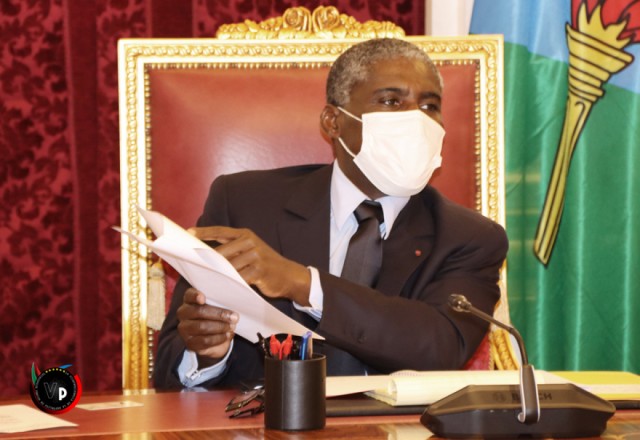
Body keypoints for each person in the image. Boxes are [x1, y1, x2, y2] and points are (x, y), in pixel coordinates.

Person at [154, 38, 508, 389]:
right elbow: (170, 370)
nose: (416, 120)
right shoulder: (244, 204)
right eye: (391, 101)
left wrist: (303, 284)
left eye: (429, 106)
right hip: (267, 419)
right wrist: (207, 354)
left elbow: (441, 348)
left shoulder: (469, 238)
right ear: (333, 122)